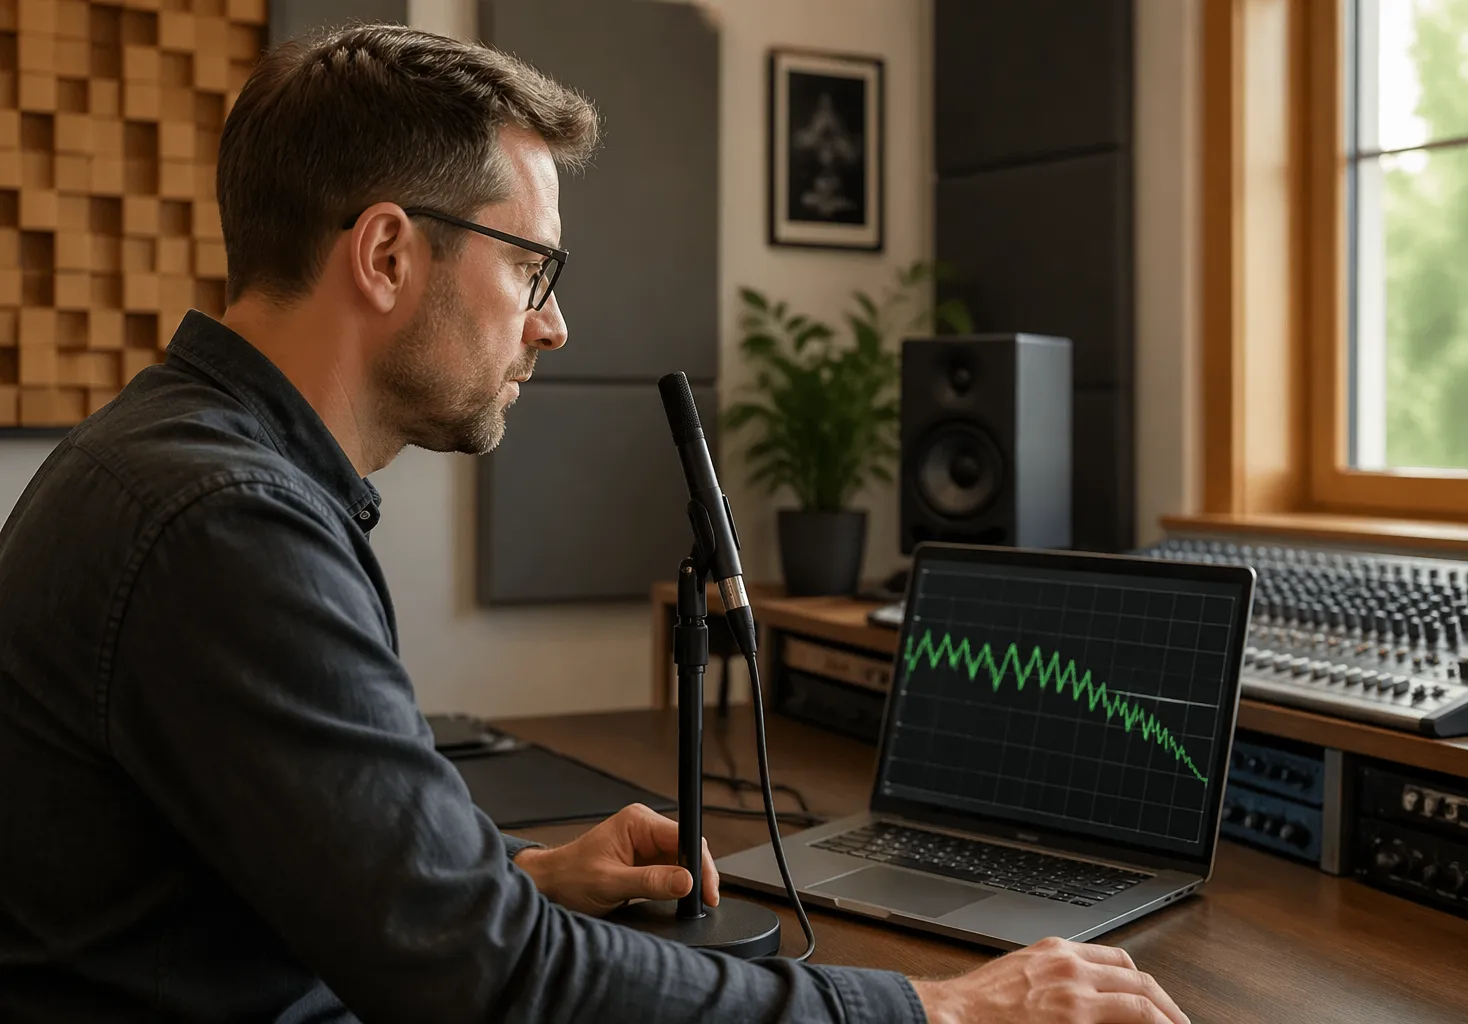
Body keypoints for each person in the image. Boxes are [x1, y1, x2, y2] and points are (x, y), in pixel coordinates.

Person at [0, 25, 1190, 1024]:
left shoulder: (184, 464)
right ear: (387, 253)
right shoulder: (228, 525)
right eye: (533, 268)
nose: (553, 324)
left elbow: (289, 872)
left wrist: (517, 878)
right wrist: (942, 1008)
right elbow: (496, 983)